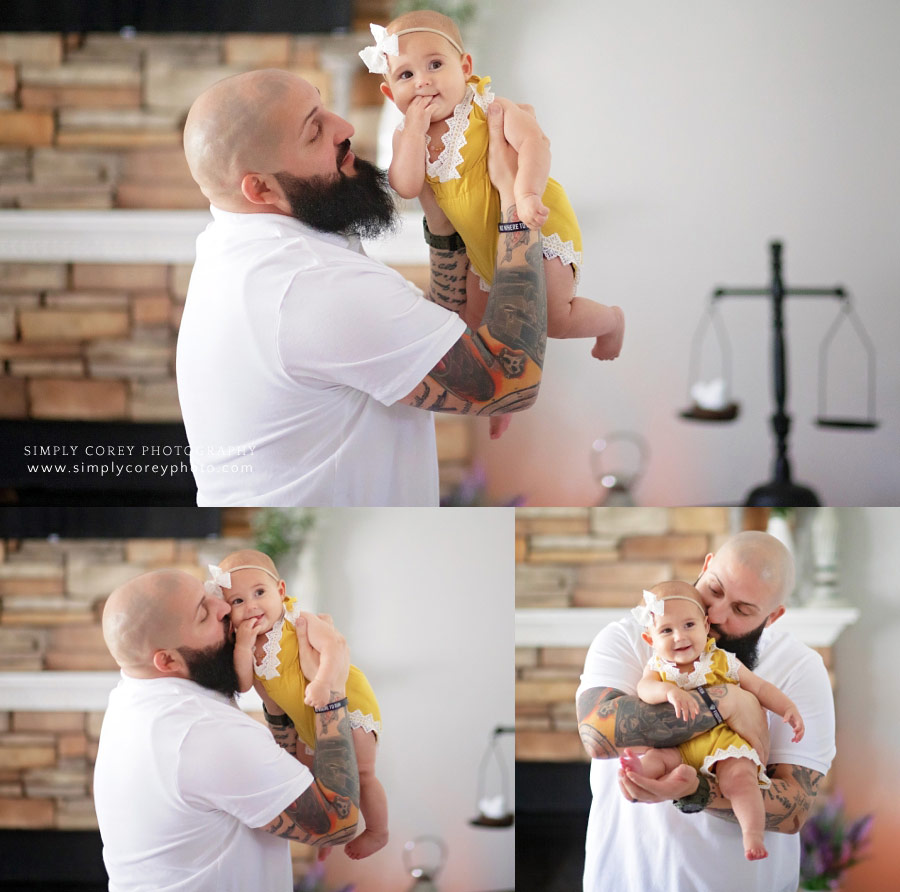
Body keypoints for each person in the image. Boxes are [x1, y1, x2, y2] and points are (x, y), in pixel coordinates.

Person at [177, 66, 547, 507]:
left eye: (323, 106)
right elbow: (510, 380)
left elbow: (427, 341)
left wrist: (441, 223)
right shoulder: (308, 284)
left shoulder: (241, 247)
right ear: (259, 188)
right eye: (314, 132)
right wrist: (516, 196)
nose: (345, 128)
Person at [575, 530, 835, 892]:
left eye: (742, 610)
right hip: (628, 881)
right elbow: (596, 734)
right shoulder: (630, 639)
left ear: (772, 616)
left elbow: (794, 808)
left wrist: (698, 790)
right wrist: (723, 703)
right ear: (707, 565)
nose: (714, 613)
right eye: (714, 589)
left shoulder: (799, 667)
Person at [360, 10, 625, 360]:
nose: (422, 81)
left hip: (536, 224)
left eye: (435, 65)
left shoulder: (489, 107)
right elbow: (406, 186)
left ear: (465, 67)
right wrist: (412, 131)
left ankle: (611, 321)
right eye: (406, 74)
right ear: (390, 94)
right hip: (483, 249)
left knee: (552, 319)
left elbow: (535, 143)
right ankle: (502, 405)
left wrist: (527, 191)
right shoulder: (408, 136)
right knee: (479, 327)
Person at [94, 569, 359, 892]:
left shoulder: (135, 694)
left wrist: (275, 704)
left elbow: (276, 778)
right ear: (167, 660)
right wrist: (330, 689)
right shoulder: (201, 732)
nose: (224, 608)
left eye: (209, 593)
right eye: (203, 615)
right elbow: (339, 823)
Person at [211, 549, 387, 860]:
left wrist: (321, 682)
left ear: (281, 591)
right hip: (307, 720)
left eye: (259, 593)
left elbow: (335, 647)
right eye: (237, 601)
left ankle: (377, 831)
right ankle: (329, 837)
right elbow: (243, 685)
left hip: (347, 703)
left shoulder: (298, 620)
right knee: (315, 784)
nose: (250, 605)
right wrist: (242, 647)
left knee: (362, 772)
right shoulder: (247, 644)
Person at [622, 580, 805, 861]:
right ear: (650, 639)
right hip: (680, 747)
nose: (679, 637)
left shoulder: (722, 660)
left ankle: (752, 834)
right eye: (666, 630)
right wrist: (668, 691)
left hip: (722, 743)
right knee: (655, 762)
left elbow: (758, 687)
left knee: (742, 780)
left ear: (706, 626)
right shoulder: (658, 667)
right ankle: (655, 782)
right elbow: (644, 690)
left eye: (689, 626)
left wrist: (787, 707)